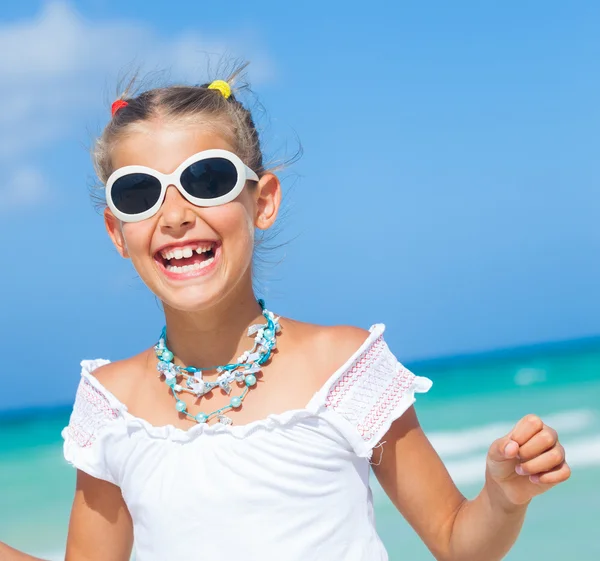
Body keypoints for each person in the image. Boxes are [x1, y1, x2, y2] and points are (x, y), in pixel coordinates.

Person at [0, 66, 570, 561]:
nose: (174, 215)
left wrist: (501, 497)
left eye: (207, 180)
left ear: (263, 201)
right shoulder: (109, 405)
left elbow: (454, 541)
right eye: (138, 193)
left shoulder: (342, 365)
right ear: (116, 232)